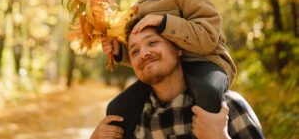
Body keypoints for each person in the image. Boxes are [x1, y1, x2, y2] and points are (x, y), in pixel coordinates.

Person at [102, 0, 237, 114]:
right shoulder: (139, 7)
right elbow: (142, 51)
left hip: (204, 62)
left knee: (208, 92)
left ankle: (212, 131)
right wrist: (120, 51)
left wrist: (164, 22)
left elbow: (208, 38)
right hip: (164, 69)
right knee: (118, 108)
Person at [92, 22, 264, 138]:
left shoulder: (227, 108)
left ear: (179, 48)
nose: (144, 53)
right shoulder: (132, 121)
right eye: (134, 51)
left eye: (152, 43)